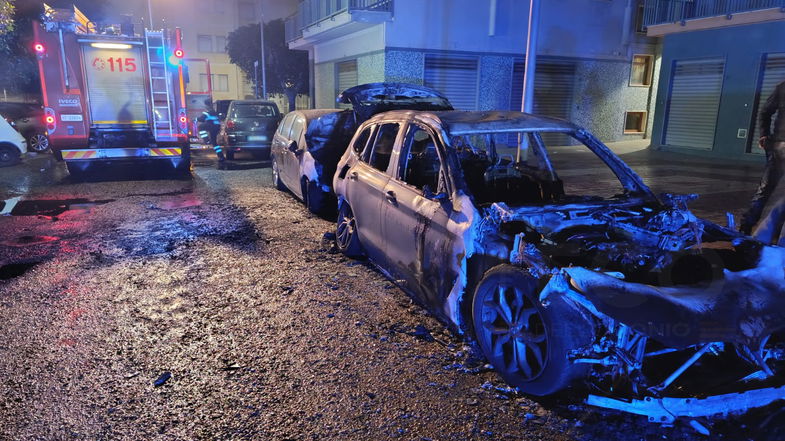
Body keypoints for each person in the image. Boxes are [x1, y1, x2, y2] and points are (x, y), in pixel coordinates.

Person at [741, 79, 785, 245]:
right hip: (780, 148)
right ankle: (749, 228)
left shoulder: (782, 87)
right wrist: (765, 135)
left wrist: (765, 135)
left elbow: (765, 112)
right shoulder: (782, 87)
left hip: (779, 146)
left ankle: (749, 228)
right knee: (766, 190)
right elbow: (766, 112)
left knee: (765, 189)